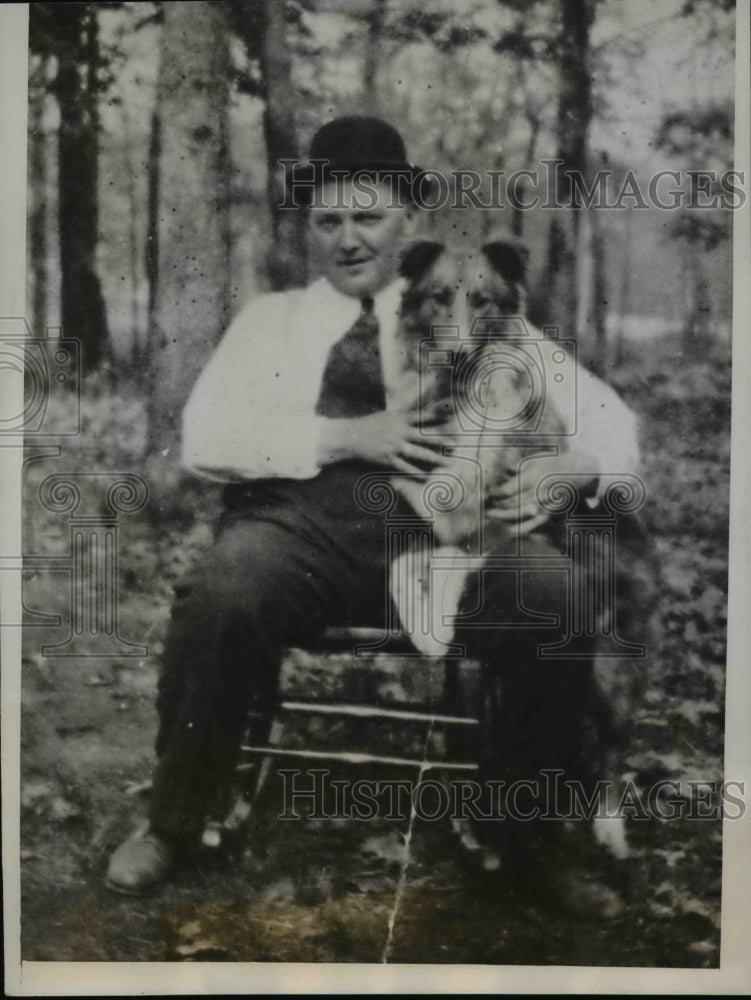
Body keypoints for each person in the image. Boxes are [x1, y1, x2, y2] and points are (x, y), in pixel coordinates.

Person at [106, 116, 640, 904]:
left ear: (407, 218)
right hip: (297, 532)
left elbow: (609, 419)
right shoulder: (270, 322)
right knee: (221, 592)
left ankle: (527, 838)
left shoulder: (463, 306)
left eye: (368, 216)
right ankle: (174, 820)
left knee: (556, 595)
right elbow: (204, 437)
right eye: (328, 220)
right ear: (308, 224)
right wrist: (345, 435)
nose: (348, 239)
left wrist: (574, 466)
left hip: (446, 541)